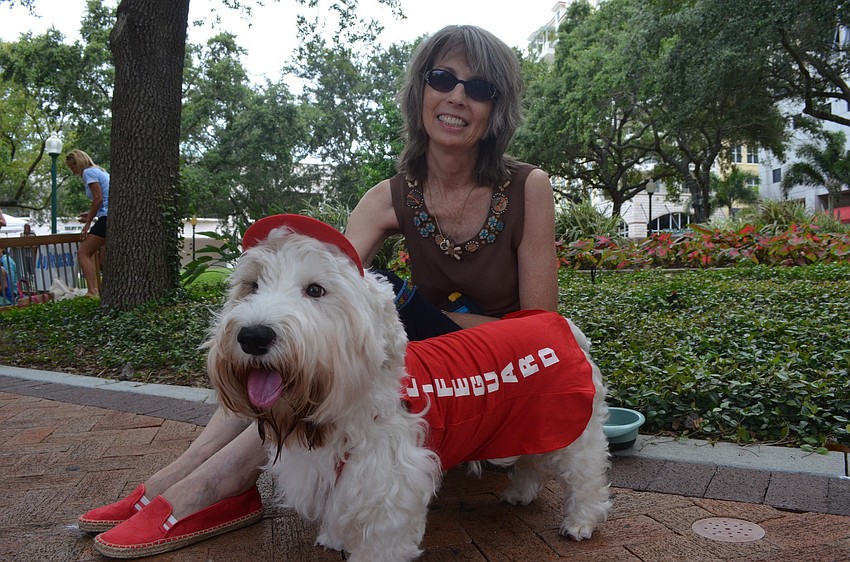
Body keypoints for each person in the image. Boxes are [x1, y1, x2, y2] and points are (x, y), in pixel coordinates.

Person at [80, 25, 558, 558]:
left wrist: (413, 323)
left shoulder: (527, 188)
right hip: (419, 355)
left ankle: (217, 484)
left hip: (492, 360)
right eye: (442, 77)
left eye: (479, 88)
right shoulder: (389, 197)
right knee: (294, 344)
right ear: (420, 90)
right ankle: (182, 473)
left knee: (384, 292)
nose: (456, 97)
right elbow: (321, 286)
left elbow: (539, 326)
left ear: (497, 108)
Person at [65, 149, 110, 297]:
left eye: (73, 167)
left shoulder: (88, 173)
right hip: (109, 216)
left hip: (106, 218)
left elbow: (98, 198)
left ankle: (92, 290)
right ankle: (105, 290)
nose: (73, 172)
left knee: (83, 252)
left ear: (79, 163)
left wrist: (88, 223)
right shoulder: (100, 171)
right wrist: (91, 214)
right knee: (104, 256)